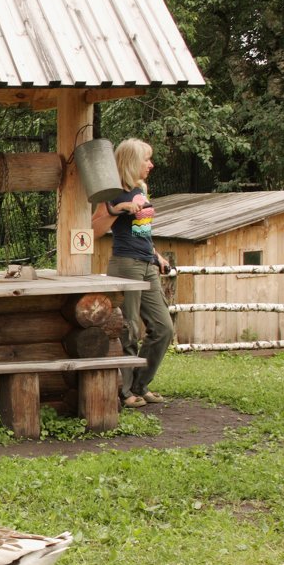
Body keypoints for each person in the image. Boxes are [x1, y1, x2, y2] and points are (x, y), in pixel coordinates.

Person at [91, 138, 173, 408]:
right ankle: (125, 392)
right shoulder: (113, 192)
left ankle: (140, 383)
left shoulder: (141, 188)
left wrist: (156, 254)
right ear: (130, 162)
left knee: (163, 328)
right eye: (146, 159)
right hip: (126, 264)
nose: (151, 164)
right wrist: (119, 209)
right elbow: (94, 230)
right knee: (130, 327)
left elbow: (141, 231)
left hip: (147, 263)